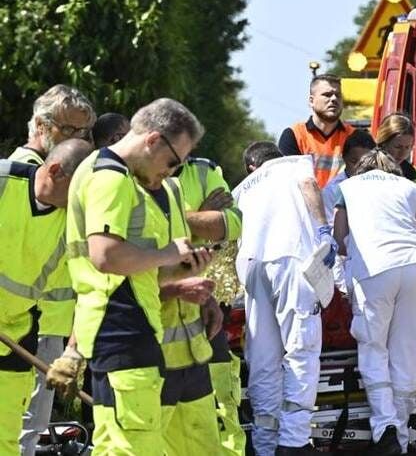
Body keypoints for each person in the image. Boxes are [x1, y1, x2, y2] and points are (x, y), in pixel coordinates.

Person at [64, 99, 213, 455]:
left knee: (116, 445)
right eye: (173, 161)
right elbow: (105, 256)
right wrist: (168, 254)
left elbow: (126, 266)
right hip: (122, 330)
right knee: (134, 447)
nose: (172, 172)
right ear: (153, 140)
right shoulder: (110, 177)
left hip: (123, 328)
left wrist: (175, 272)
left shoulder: (115, 176)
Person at [233, 142, 335, 456]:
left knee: (263, 359)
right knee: (301, 350)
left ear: (251, 166)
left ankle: (265, 445)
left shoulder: (242, 188)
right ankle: (293, 441)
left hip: (252, 267)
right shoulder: (292, 166)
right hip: (291, 259)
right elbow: (308, 184)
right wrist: (323, 231)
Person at [10, 85, 94, 456]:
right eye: (71, 130)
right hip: (21, 326)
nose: (79, 139)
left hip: (44, 329)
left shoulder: (71, 189)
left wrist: (70, 349)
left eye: (84, 133)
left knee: (25, 429)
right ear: (42, 126)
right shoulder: (21, 179)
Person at [333, 149, 416, 455]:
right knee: (405, 351)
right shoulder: (410, 188)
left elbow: (339, 238)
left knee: (374, 347)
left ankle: (385, 428)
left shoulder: (347, 188)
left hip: (375, 270)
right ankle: (400, 438)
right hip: (415, 268)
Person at [175, 156, 246, 456]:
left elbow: (230, 225)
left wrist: (178, 218)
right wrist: (199, 216)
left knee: (221, 397)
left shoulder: (204, 170)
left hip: (210, 302)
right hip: (164, 309)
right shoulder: (132, 176)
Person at [279, 74, 354, 188]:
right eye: (327, 95)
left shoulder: (355, 137)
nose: (333, 99)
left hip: (343, 204)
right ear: (311, 101)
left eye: (338, 95)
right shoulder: (294, 135)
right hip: (306, 204)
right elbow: (287, 183)